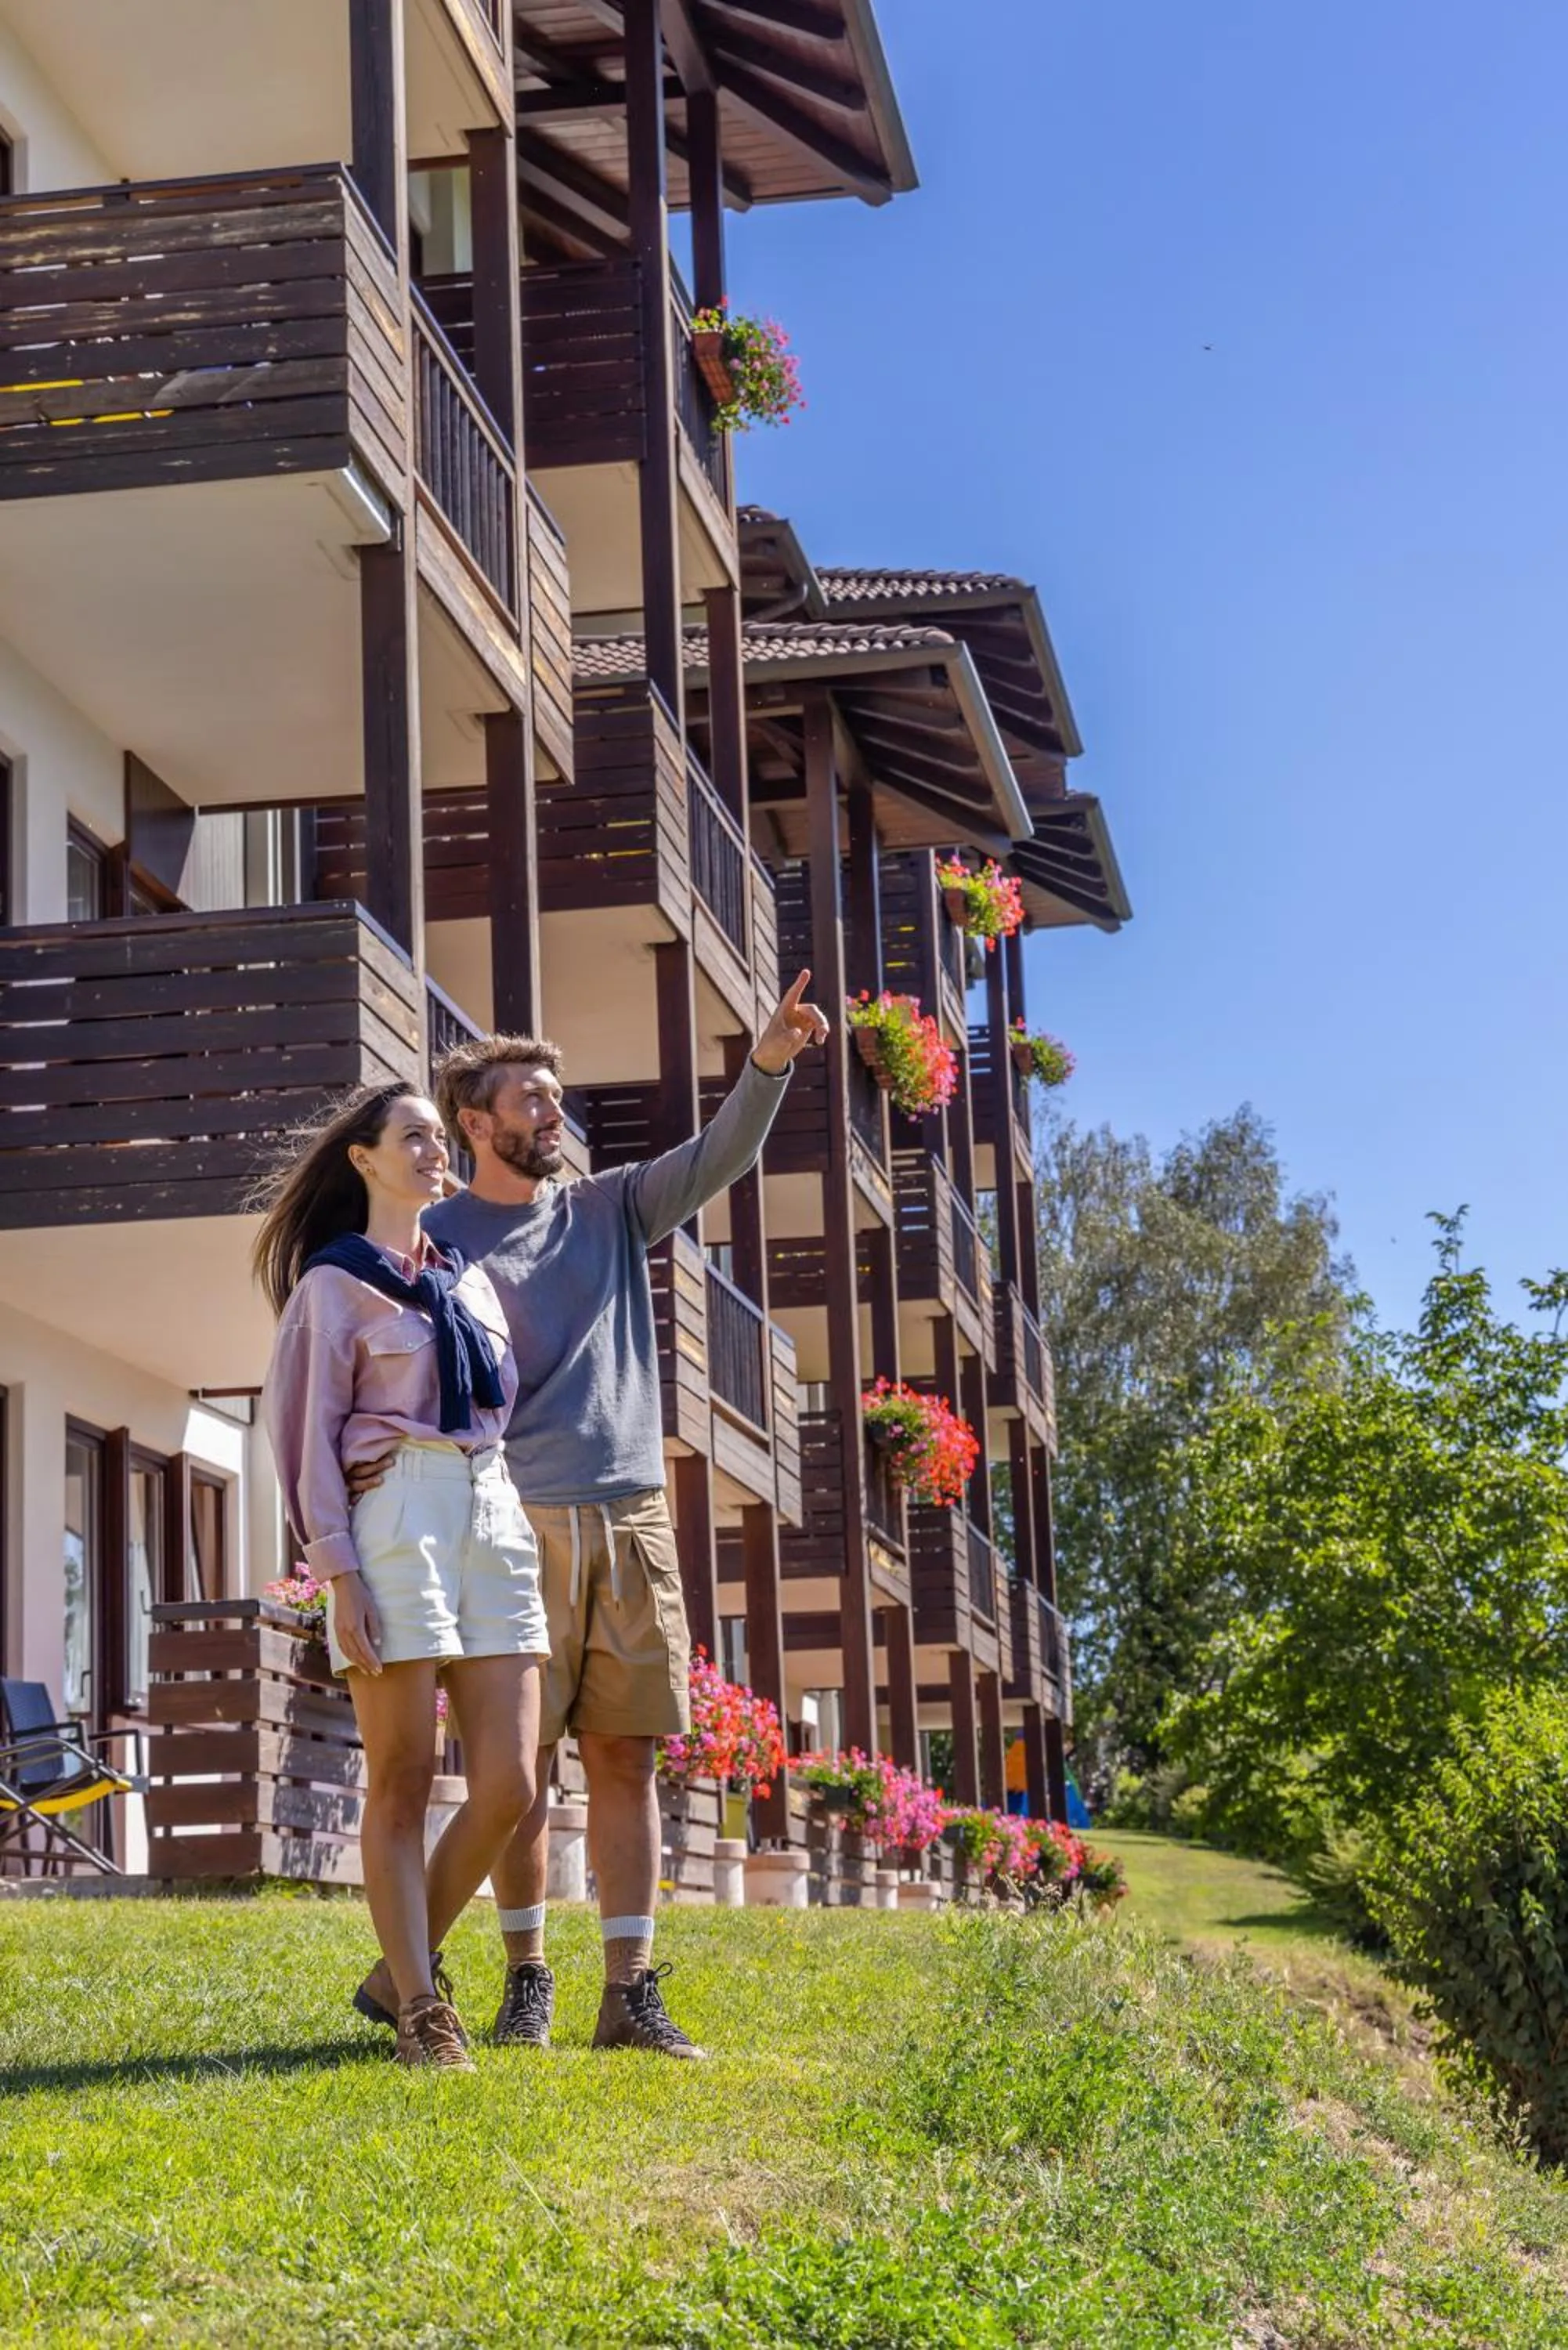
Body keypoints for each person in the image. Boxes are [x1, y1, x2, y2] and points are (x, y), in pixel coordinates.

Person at [349, 971, 828, 2058]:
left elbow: (720, 1159)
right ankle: (525, 1974)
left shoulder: (611, 1207)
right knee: (515, 1774)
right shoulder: (437, 1238)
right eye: (531, 1100)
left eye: (556, 1099)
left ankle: (631, 1992)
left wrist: (766, 1062)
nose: (553, 1113)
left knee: (624, 1756)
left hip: (631, 1514)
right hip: (507, 1522)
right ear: (474, 1123)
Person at [256, 1083, 550, 2070]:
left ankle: (394, 1970)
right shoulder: (331, 1290)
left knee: (510, 1782)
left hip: (490, 1509)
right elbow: (302, 1445)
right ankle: (423, 2008)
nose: (433, 1151)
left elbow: (496, 1414)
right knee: (404, 1777)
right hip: (394, 1515)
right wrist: (337, 1574)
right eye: (411, 1137)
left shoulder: (469, 1284)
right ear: (364, 1161)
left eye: (438, 1137)